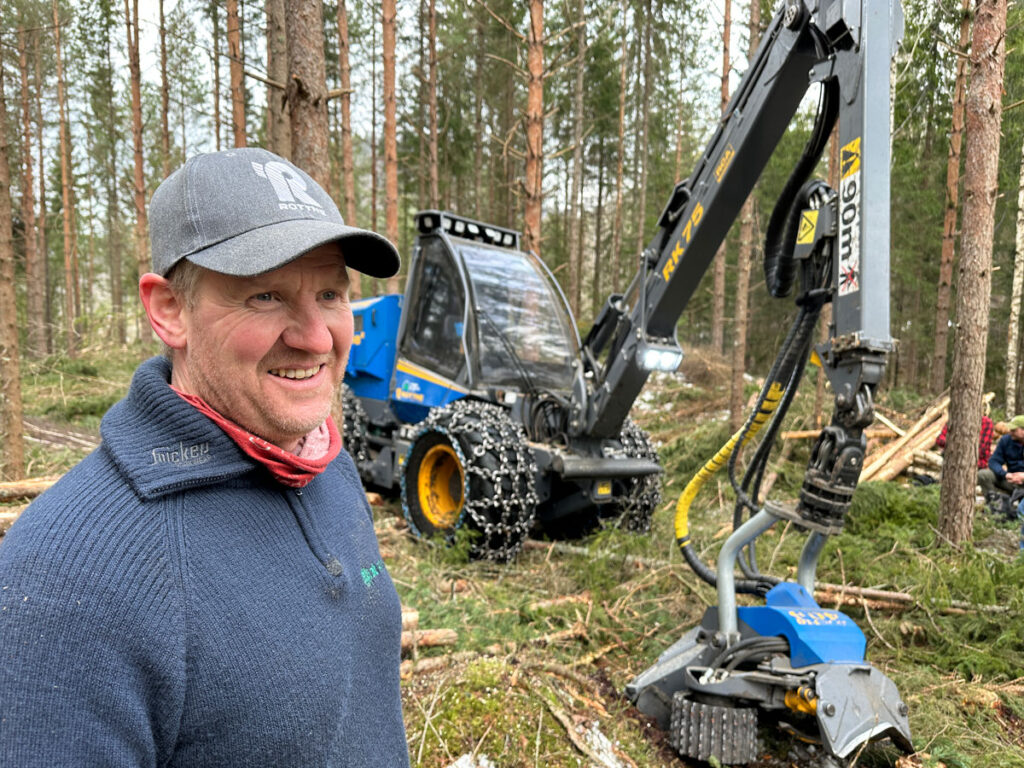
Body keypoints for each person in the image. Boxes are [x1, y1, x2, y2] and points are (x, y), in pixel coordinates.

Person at [0, 148, 411, 767]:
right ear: (169, 310)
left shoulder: (326, 468)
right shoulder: (66, 579)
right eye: (266, 296)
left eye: (329, 292)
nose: (314, 335)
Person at [979, 414, 1024, 500]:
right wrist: (1005, 474)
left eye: (1014, 430)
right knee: (983, 475)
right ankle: (995, 506)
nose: (1010, 432)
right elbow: (993, 461)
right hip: (1011, 480)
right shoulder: (1006, 440)